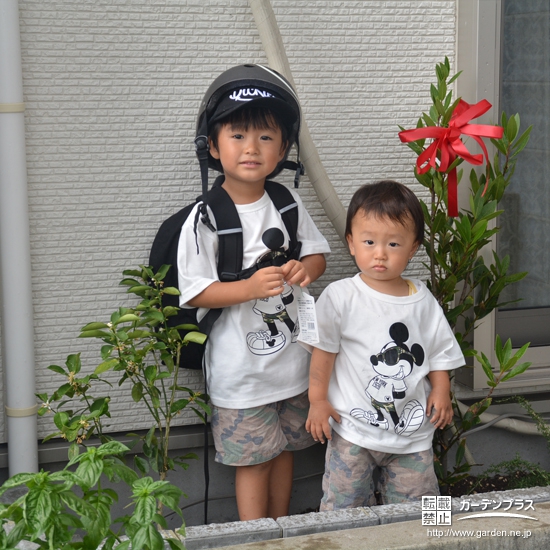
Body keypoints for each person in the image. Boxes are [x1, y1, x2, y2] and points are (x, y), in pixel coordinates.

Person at [177, 64, 330, 520]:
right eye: (238, 136)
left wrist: (305, 269)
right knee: (253, 458)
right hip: (240, 374)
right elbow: (196, 291)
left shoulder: (285, 202)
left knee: (284, 451)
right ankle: (255, 536)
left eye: (265, 138)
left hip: (292, 364)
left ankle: (280, 528)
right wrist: (246, 287)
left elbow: (319, 256)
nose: (251, 148)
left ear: (283, 148)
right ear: (212, 146)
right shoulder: (206, 215)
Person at [302, 180, 465, 510]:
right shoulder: (341, 296)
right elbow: (323, 353)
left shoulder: (422, 300)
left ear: (414, 247)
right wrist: (317, 400)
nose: (380, 253)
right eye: (369, 241)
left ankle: (433, 542)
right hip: (352, 430)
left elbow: (438, 351)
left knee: (423, 506)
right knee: (342, 508)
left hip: (413, 434)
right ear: (351, 243)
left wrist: (440, 391)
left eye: (393, 243)